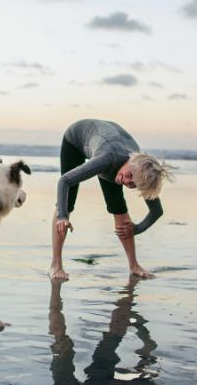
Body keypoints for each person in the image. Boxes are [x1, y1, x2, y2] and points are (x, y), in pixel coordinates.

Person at [49, 119, 173, 280]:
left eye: (133, 184)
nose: (127, 182)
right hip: (77, 139)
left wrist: (136, 229)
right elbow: (64, 181)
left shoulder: (143, 172)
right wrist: (62, 216)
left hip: (111, 143)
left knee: (118, 206)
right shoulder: (108, 158)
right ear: (130, 163)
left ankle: (134, 266)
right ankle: (55, 265)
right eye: (129, 175)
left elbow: (157, 211)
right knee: (66, 202)